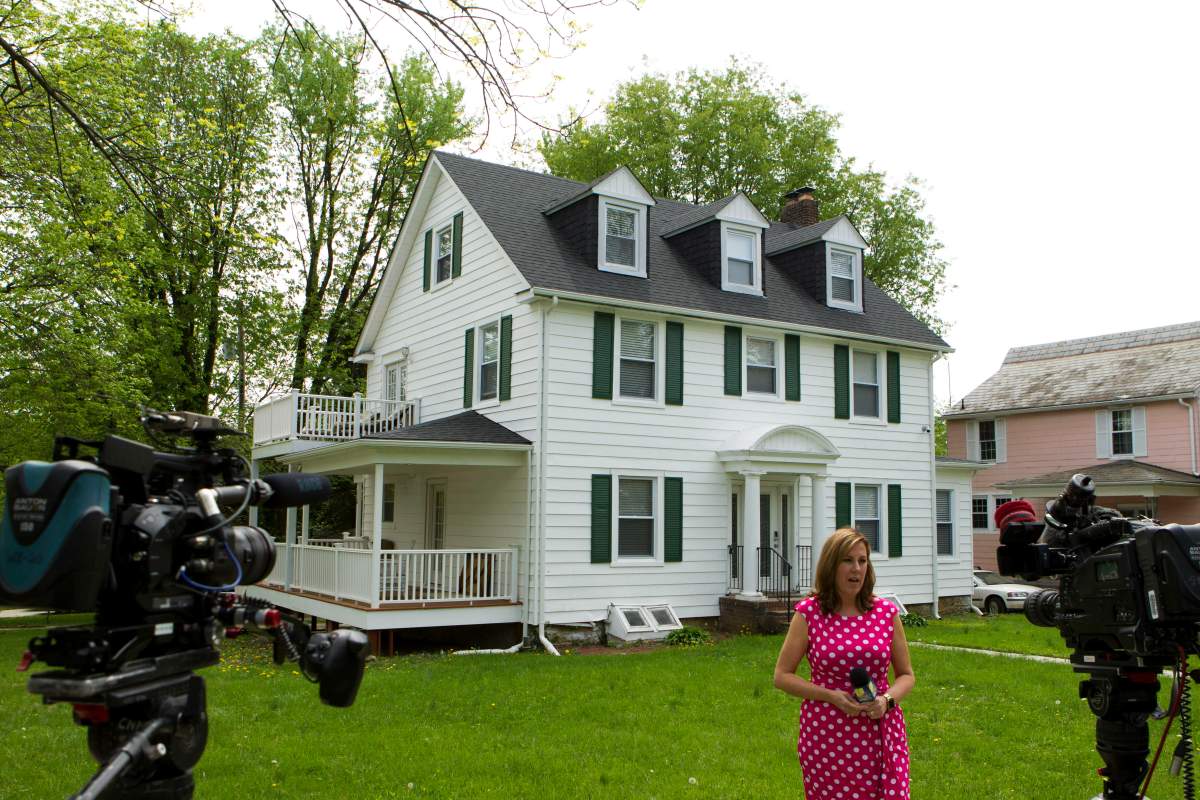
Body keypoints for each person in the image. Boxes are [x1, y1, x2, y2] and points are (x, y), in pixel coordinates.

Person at [773, 527, 914, 799]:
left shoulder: (886, 613)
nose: (857, 569)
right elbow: (781, 676)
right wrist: (830, 696)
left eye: (862, 561)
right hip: (827, 734)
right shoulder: (809, 613)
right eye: (848, 560)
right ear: (831, 565)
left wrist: (886, 700)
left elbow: (907, 675)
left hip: (880, 730)